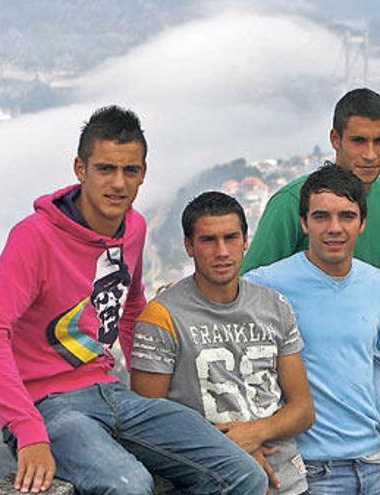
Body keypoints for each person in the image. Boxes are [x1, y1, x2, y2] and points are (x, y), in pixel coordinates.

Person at [0, 106, 266, 494]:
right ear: (80, 168)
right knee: (130, 486)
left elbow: (130, 309)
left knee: (244, 474)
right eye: (105, 168)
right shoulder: (35, 237)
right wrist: (27, 431)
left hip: (113, 395)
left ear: (143, 173)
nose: (118, 184)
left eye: (130, 170)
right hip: (49, 407)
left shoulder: (134, 227)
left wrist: (149, 398)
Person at [243, 87, 380, 493]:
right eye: (359, 141)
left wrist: (376, 305)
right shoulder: (292, 201)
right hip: (305, 351)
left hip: (366, 339)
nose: (371, 154)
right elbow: (248, 289)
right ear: (335, 140)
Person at [128, 191, 315, 495]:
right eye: (208, 240)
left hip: (288, 482)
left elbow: (303, 409)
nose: (222, 251)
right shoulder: (161, 317)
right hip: (215, 483)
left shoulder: (275, 306)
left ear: (245, 241)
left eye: (231, 237)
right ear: (189, 246)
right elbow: (147, 426)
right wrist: (228, 450)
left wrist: (252, 434)